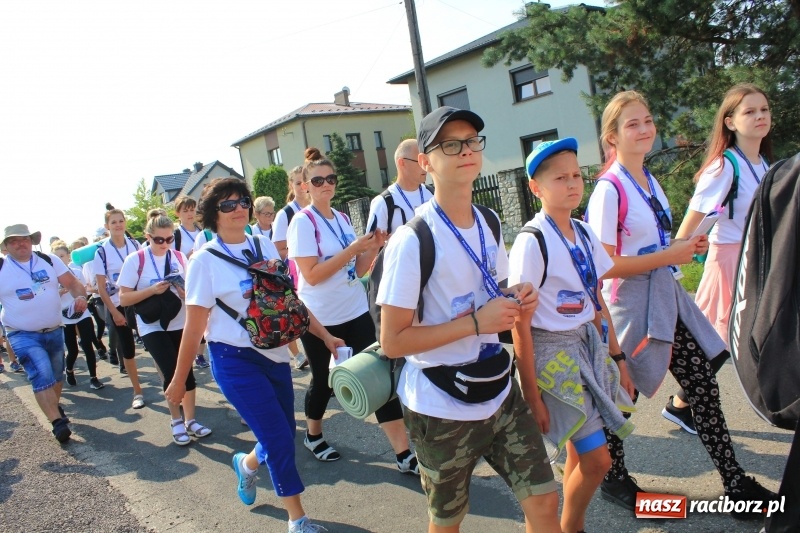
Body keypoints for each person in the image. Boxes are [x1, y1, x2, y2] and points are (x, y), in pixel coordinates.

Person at [585, 90, 775, 519]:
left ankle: (735, 483)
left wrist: (685, 247)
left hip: (665, 296)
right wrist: (668, 255)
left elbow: (653, 244)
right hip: (631, 305)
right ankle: (613, 475)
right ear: (612, 137)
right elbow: (604, 266)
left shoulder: (648, 179)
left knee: (703, 383)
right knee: (623, 393)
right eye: (633, 124)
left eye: (648, 120)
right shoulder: (609, 189)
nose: (645, 129)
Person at [377, 106, 560, 532]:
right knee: (448, 522)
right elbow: (393, 341)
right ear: (425, 162)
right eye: (450, 145)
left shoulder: (489, 222)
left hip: (498, 389)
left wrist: (517, 297)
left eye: (472, 141)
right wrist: (477, 323)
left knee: (545, 502)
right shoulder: (412, 239)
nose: (465, 151)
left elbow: (493, 290)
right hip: (439, 404)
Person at [165, 177, 338, 532]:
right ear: (213, 214)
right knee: (278, 439)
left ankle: (246, 465)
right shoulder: (203, 261)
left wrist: (325, 336)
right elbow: (194, 326)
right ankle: (297, 519)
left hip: (274, 354)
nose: (239, 209)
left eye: (243, 201)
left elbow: (289, 302)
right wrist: (179, 380)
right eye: (228, 204)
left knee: (282, 432)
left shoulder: (263, 244)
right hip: (233, 359)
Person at [509, 137, 635, 533]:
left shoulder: (582, 231)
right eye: (560, 178)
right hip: (552, 359)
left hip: (586, 345)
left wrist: (617, 358)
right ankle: (571, 527)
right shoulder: (532, 241)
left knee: (580, 455)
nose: (572, 184)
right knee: (599, 460)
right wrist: (532, 395)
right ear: (536, 188)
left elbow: (596, 298)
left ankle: (562, 527)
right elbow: (519, 324)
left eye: (577, 175)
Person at [287, 148, 420, 473]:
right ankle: (313, 435)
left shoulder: (343, 218)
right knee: (324, 381)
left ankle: (403, 454)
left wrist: (373, 247)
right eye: (318, 180)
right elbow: (312, 276)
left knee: (380, 375)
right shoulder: (302, 222)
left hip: (356, 310)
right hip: (321, 318)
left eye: (330, 179)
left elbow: (357, 270)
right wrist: (352, 249)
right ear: (305, 186)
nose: (326, 185)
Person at [663, 84, 774, 433]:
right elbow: (693, 219)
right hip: (729, 262)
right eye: (749, 111)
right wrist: (675, 257)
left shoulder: (763, 163)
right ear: (730, 121)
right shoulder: (725, 166)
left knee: (736, 338)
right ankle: (680, 404)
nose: (760, 116)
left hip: (756, 261)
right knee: (719, 340)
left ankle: (682, 403)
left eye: (764, 110)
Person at [119, 209, 211, 446]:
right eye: (159, 239)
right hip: (151, 325)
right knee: (171, 371)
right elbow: (124, 299)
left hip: (180, 320)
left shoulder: (179, 257)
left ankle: (190, 420)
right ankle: (176, 420)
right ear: (148, 236)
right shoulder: (136, 260)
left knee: (187, 372)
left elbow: (193, 292)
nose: (165, 244)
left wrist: (183, 292)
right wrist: (152, 290)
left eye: (169, 239)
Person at [0, 224, 89, 442]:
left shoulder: (49, 260)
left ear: (32, 241)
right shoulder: (2, 268)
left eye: (24, 239)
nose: (20, 244)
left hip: (54, 329)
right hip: (21, 333)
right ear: (6, 247)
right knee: (41, 373)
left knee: (56, 377)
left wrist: (81, 297)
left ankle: (54, 408)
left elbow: (73, 283)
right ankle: (57, 422)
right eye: (14, 241)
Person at [93, 204, 146, 409]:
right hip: (118, 304)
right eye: (113, 222)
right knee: (128, 349)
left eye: (121, 221)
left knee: (153, 342)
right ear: (107, 226)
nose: (118, 225)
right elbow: (101, 287)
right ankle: (137, 391)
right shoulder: (102, 252)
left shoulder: (134, 244)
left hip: (140, 300)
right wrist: (114, 312)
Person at [50, 240, 104, 390]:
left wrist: (80, 296)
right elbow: (48, 299)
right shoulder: (51, 278)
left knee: (88, 345)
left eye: (62, 256)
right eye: (56, 257)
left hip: (82, 313)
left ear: (68, 256)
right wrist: (59, 293)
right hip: (65, 316)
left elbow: (85, 291)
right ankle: (69, 370)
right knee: (72, 349)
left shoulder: (77, 272)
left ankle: (93, 378)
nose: (60, 260)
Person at [272, 166, 310, 370]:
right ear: (291, 185)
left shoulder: (318, 208)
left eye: (305, 182)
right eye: (298, 183)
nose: (303, 187)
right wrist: (304, 253)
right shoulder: (285, 214)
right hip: (298, 279)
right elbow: (277, 251)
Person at [365, 138, 432, 234]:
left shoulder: (433, 194)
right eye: (419, 161)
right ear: (402, 163)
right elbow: (372, 242)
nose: (425, 166)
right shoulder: (383, 203)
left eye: (426, 160)